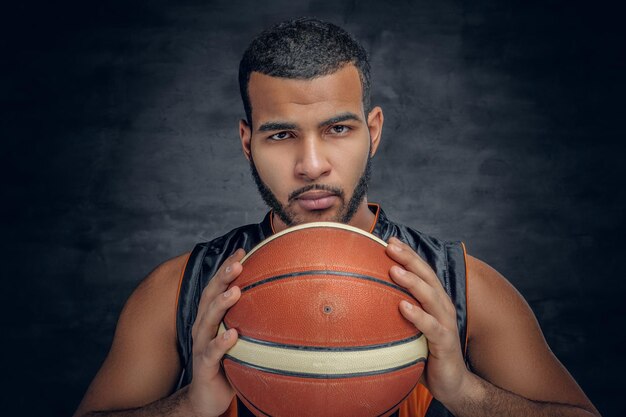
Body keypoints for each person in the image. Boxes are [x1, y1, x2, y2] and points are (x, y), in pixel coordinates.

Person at [73, 18, 601, 417]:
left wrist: (464, 390)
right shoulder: (179, 290)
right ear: (246, 140)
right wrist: (190, 406)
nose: (312, 164)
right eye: (281, 134)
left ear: (373, 131)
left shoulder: (461, 286)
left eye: (338, 130)